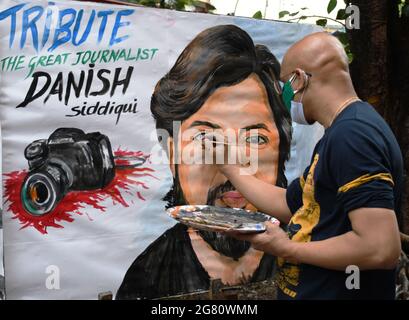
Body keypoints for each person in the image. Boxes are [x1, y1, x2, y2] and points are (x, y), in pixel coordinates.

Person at [218, 32, 403, 300]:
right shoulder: (343, 131)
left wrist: (285, 248)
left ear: (300, 79)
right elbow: (293, 204)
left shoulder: (352, 136)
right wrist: (230, 169)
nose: (284, 98)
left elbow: (380, 248)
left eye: (285, 87)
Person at [116, 25, 292, 299]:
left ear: (282, 149)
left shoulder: (306, 260)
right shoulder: (146, 281)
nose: (233, 166)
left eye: (255, 139)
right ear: (173, 151)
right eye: (207, 140)